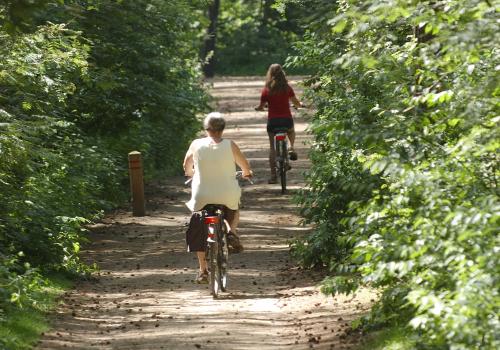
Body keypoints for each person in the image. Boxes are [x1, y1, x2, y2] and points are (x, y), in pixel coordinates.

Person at [183, 112, 253, 283]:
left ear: (206, 129)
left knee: (199, 229)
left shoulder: (196, 144)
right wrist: (246, 173)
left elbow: (186, 165)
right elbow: (244, 166)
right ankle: (231, 232)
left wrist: (191, 173)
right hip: (226, 193)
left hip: (202, 194)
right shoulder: (230, 145)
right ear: (223, 129)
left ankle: (203, 270)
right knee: (233, 208)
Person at [255, 63, 303, 184]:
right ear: (282, 73)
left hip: (273, 122)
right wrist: (299, 105)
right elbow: (296, 103)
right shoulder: (287, 88)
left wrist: (260, 108)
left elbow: (261, 106)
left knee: (272, 148)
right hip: (286, 120)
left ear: (270, 74)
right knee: (291, 130)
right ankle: (291, 146)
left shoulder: (267, 89)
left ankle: (273, 176)